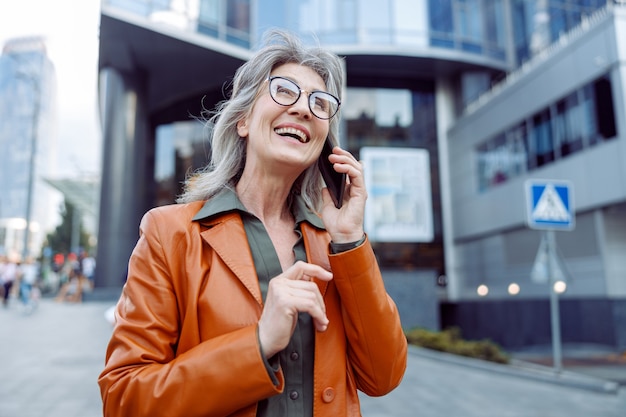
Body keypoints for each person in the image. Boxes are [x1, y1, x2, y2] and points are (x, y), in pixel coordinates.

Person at [98, 29, 407, 417]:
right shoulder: (169, 233)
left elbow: (384, 375)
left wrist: (349, 241)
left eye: (319, 102)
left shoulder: (337, 243)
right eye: (284, 90)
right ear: (243, 120)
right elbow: (123, 398)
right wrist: (257, 343)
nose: (303, 108)